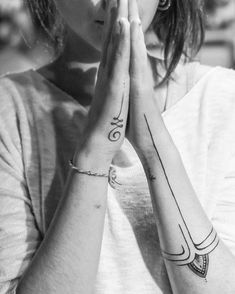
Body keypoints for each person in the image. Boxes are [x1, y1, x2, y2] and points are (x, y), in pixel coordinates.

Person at [0, 0, 235, 293]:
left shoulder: (223, 99)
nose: (114, 2)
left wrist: (151, 140)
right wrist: (97, 148)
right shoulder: (9, 112)